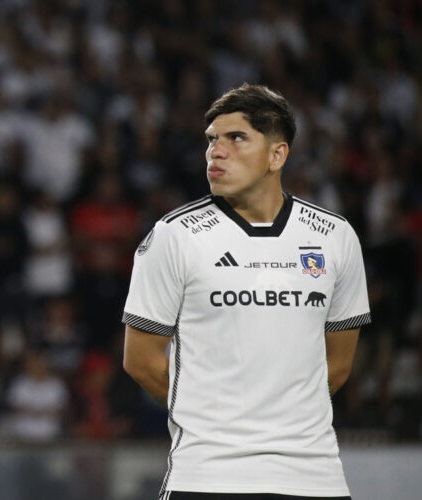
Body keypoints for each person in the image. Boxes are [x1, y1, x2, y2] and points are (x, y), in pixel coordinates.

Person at [122, 84, 370, 500]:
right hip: (206, 477)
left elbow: (339, 364)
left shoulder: (335, 237)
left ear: (277, 155)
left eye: (236, 138)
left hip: (314, 478)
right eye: (211, 140)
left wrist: (280, 415)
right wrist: (218, 422)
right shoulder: (174, 236)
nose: (216, 151)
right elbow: (142, 361)